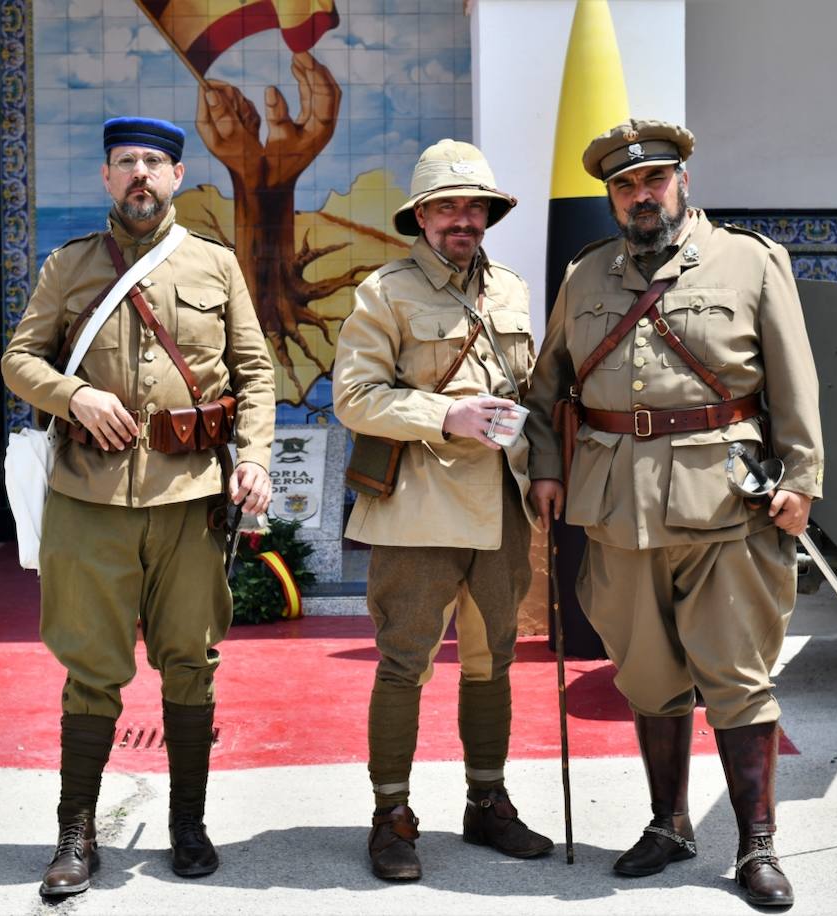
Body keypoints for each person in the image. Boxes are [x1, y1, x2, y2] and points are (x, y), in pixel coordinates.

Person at [524, 119, 824, 907]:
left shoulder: (750, 262)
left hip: (727, 499)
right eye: (624, 186)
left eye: (653, 179)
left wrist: (802, 478)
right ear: (613, 199)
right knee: (646, 674)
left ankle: (756, 845)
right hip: (616, 503)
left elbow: (795, 382)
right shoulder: (585, 276)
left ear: (682, 180)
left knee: (736, 676)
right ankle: (669, 823)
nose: (640, 195)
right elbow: (547, 387)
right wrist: (548, 472)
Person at [1, 116, 275, 897]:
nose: (140, 175)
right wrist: (75, 393)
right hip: (90, 498)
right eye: (125, 162)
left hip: (190, 499)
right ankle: (76, 834)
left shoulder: (215, 266)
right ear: (106, 177)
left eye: (154, 162)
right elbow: (20, 359)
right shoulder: (71, 266)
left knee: (191, 659)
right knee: (91, 668)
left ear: (178, 176)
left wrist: (252, 457)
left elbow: (255, 371)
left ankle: (189, 823)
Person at [332, 139, 553, 881]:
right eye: (447, 206)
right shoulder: (385, 292)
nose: (463, 219)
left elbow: (536, 399)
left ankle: (486, 802)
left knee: (493, 664)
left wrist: (546, 473)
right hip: (419, 512)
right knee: (404, 665)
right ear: (421, 215)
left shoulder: (513, 291)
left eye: (474, 206)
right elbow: (354, 398)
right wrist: (444, 416)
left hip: (501, 507)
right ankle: (390, 815)